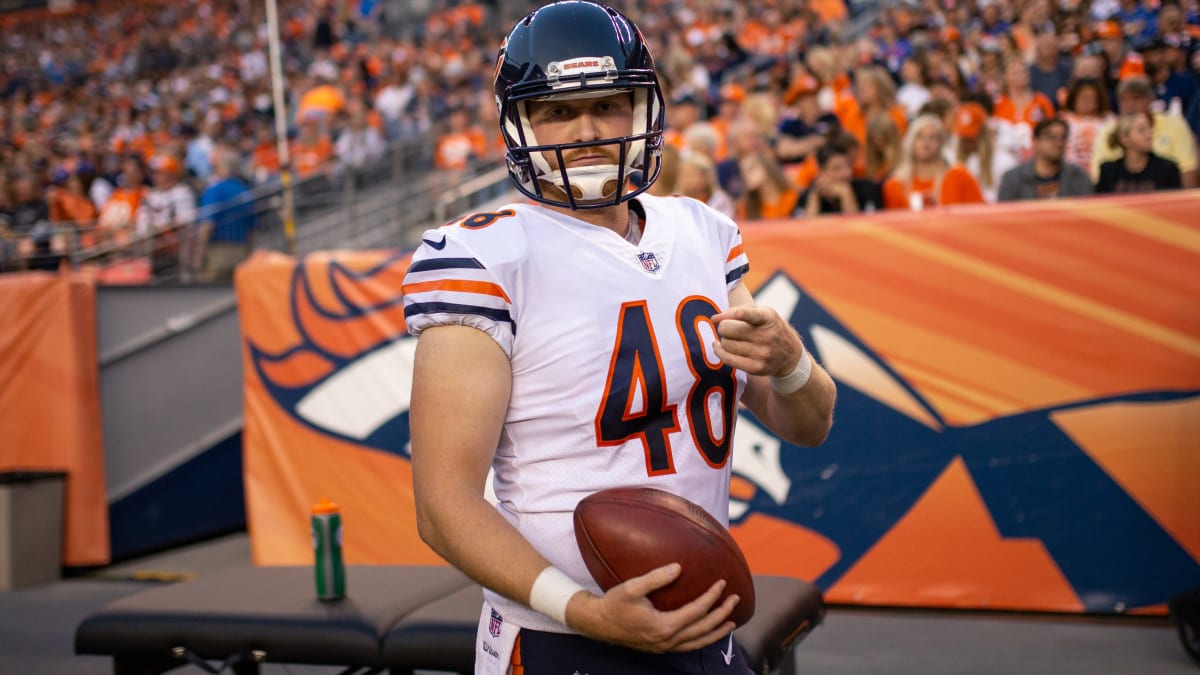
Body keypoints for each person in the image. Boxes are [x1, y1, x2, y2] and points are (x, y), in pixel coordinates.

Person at [402, 3, 837, 673]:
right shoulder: (484, 257)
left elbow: (809, 424)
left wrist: (789, 363)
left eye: (607, 105)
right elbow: (443, 503)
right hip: (560, 637)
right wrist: (581, 607)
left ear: (642, 109)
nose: (586, 131)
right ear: (520, 124)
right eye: (556, 111)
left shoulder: (702, 231)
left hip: (700, 616)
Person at [882, 114, 985, 210]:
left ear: (940, 143)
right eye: (920, 137)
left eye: (932, 137)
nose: (926, 142)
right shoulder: (895, 185)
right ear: (911, 142)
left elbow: (980, 214)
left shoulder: (959, 176)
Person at [997, 118, 1095, 201]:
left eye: (1063, 138)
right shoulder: (1013, 179)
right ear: (1035, 142)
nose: (1059, 143)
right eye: (1051, 137)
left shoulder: (1079, 177)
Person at [1095, 111, 1183, 193]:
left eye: (1149, 129)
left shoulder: (1167, 169)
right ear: (1125, 139)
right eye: (1142, 130)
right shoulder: (1109, 171)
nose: (1149, 135)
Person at [798, 134, 882, 215]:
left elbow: (863, 227)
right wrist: (814, 199)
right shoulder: (808, 195)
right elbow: (803, 228)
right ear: (822, 172)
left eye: (848, 165)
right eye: (837, 168)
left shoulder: (868, 189)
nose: (847, 173)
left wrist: (846, 195)